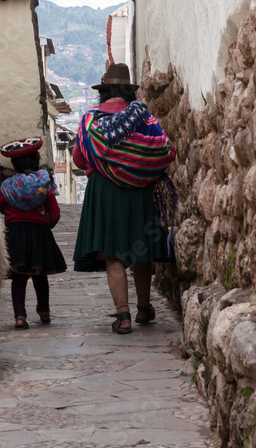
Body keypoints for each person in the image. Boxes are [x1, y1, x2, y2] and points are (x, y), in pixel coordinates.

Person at [72, 64, 177, 335]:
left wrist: (106, 163)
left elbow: (79, 159)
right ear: (128, 93)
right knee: (141, 250)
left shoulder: (90, 120)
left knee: (113, 254)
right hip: (142, 192)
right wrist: (136, 166)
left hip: (105, 192)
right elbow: (166, 150)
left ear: (104, 92)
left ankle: (123, 315)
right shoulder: (146, 119)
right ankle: (144, 308)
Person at [0, 138, 67, 329]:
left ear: (15, 165)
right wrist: (47, 224)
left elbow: (0, 206)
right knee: (39, 274)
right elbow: (54, 213)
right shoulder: (44, 183)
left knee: (18, 278)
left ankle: (20, 316)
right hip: (39, 234)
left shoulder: (8, 186)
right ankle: (44, 311)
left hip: (15, 234)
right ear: (36, 161)